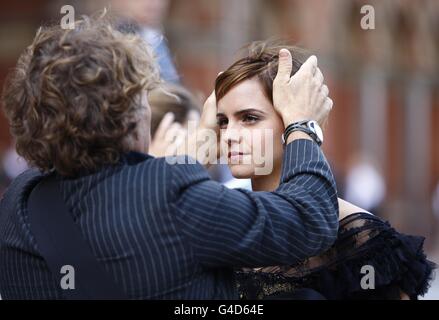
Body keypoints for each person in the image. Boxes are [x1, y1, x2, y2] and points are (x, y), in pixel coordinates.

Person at [0, 15, 337, 299]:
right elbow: (309, 222)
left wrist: (185, 165)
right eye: (144, 96)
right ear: (129, 112)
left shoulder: (16, 203)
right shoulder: (168, 192)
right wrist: (302, 125)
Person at [214, 41, 436, 300]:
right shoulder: (220, 227)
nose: (230, 135)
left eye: (250, 118)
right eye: (222, 121)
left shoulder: (361, 241)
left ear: (292, 119)